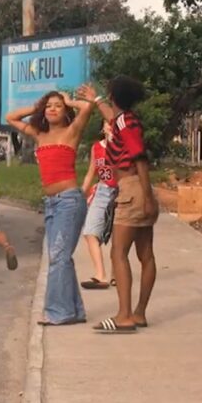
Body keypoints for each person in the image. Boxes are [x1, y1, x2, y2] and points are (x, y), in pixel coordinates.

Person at [6, 88, 97, 326]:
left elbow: (87, 108)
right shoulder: (39, 134)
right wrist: (36, 107)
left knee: (59, 257)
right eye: (49, 106)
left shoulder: (71, 132)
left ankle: (58, 312)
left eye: (58, 105)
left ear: (65, 111)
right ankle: (74, 311)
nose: (53, 109)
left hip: (69, 201)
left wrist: (70, 100)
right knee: (60, 257)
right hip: (51, 204)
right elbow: (11, 118)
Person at [81, 79, 158, 334]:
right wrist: (96, 100)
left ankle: (124, 316)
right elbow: (112, 118)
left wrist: (147, 196)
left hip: (131, 190)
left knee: (118, 253)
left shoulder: (124, 122)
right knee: (146, 255)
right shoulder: (126, 120)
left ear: (113, 95)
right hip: (137, 189)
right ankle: (139, 313)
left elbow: (140, 158)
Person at [79, 121, 118, 290]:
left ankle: (117, 274)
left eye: (113, 124)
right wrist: (81, 194)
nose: (110, 127)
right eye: (107, 123)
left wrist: (114, 144)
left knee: (118, 237)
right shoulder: (96, 147)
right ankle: (100, 274)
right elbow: (91, 172)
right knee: (90, 231)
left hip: (121, 191)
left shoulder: (123, 146)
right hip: (102, 190)